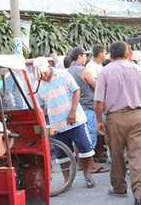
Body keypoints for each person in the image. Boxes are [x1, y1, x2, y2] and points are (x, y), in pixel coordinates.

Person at [94, 42, 141, 205]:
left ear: (111, 55)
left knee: (116, 154)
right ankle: (139, 193)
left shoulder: (105, 72)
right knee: (138, 156)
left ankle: (119, 187)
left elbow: (98, 101)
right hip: (136, 116)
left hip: (115, 118)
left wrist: (99, 121)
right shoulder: (136, 69)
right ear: (127, 53)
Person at [32, 57, 95, 188]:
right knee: (62, 156)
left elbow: (76, 91)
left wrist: (72, 112)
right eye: (40, 74)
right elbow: (41, 105)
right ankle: (67, 180)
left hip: (75, 121)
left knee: (85, 150)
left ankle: (88, 175)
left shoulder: (63, 74)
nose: (43, 76)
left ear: (49, 66)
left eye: (44, 73)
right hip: (57, 125)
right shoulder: (37, 83)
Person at [68, 47, 108, 173]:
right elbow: (96, 86)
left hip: (77, 107)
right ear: (80, 56)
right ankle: (90, 165)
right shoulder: (83, 70)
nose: (86, 58)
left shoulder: (68, 71)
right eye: (85, 55)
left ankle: (81, 163)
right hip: (88, 106)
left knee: (81, 137)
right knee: (91, 136)